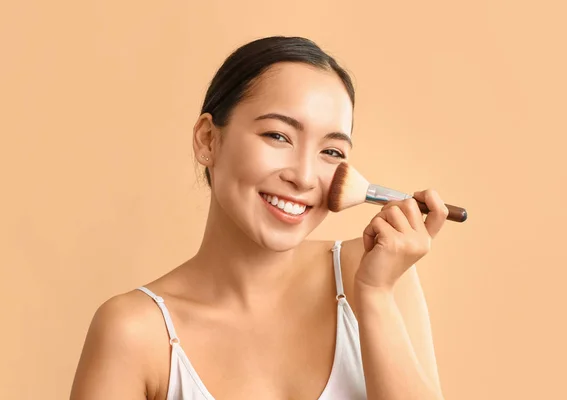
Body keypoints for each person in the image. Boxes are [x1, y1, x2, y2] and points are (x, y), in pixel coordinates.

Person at [70, 36, 449, 400]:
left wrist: (375, 295)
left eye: (331, 151)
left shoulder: (373, 274)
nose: (302, 177)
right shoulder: (135, 332)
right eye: (278, 136)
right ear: (207, 140)